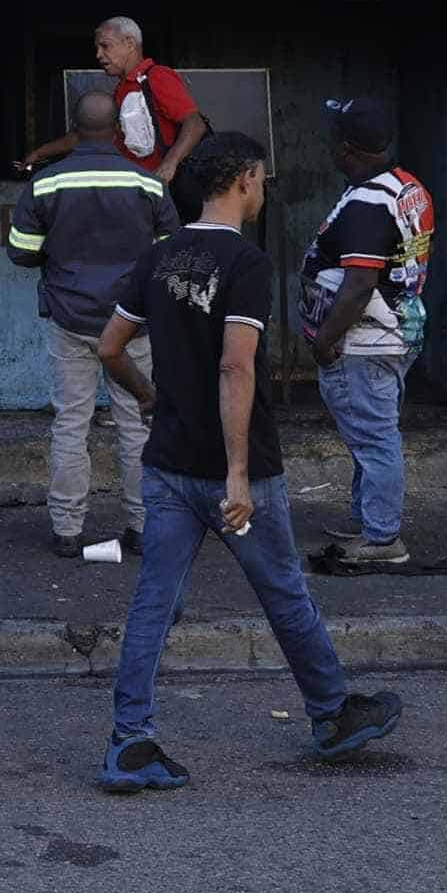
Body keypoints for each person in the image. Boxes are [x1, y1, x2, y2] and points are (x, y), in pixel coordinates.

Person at [92, 132, 402, 793]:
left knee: (155, 600)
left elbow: (110, 346)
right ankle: (332, 715)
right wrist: (236, 472)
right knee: (284, 589)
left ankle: (130, 742)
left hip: (168, 460)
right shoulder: (247, 263)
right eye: (260, 179)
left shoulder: (159, 256)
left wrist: (152, 397)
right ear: (242, 181)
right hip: (240, 468)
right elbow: (237, 365)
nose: (263, 189)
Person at [10, 87, 176, 558]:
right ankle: (143, 527)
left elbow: (21, 250)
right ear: (119, 131)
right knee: (136, 424)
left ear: (75, 130)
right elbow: (170, 253)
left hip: (70, 319)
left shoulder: (45, 184)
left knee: (71, 423)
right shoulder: (148, 184)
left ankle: (67, 529)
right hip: (131, 326)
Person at [300, 96, 436, 573]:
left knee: (376, 440)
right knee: (370, 436)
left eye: (334, 138)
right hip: (394, 332)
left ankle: (383, 537)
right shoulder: (404, 185)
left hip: (363, 343)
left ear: (347, 147)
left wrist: (323, 341)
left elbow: (358, 286)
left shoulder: (368, 204)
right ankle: (368, 521)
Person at [26, 18, 206, 187]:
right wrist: (40, 153)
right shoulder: (122, 90)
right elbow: (87, 135)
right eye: (97, 48)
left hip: (162, 190)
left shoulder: (157, 77)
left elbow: (195, 124)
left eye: (105, 46)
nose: (98, 55)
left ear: (129, 44)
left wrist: (169, 165)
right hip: (137, 189)